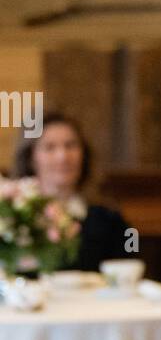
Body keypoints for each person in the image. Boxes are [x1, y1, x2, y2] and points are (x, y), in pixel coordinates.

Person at [14, 113, 128, 271]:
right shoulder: (13, 218)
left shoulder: (108, 218)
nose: (63, 156)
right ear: (31, 158)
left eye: (70, 145)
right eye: (50, 147)